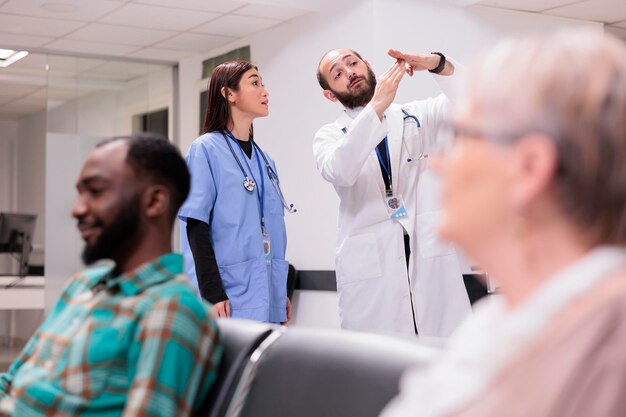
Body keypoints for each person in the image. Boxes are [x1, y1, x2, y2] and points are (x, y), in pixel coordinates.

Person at [380, 30, 626, 417]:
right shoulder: (502, 322)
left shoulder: (607, 356)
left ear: (529, 167)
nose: (440, 163)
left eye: (460, 137)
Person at [0, 133, 221, 417]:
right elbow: (13, 384)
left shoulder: (171, 310)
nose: (76, 209)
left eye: (96, 191)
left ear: (154, 201)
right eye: (80, 193)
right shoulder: (82, 285)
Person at [313, 48, 471, 336]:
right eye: (337, 73)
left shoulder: (419, 115)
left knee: (440, 354)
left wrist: (437, 63)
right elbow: (341, 170)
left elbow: (475, 99)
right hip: (374, 270)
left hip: (426, 254)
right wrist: (376, 106)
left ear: (368, 66)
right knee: (381, 366)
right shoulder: (330, 137)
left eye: (353, 63)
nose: (349, 72)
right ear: (330, 95)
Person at [179, 60, 292, 324]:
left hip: (268, 296)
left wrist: (280, 293)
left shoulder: (266, 160)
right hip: (227, 296)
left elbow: (271, 229)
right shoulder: (205, 150)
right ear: (228, 94)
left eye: (262, 84)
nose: (265, 92)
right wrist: (211, 292)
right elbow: (196, 225)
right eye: (255, 83)